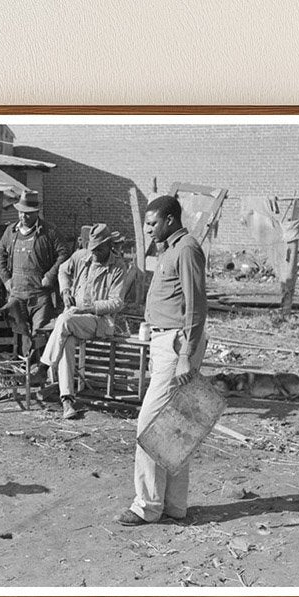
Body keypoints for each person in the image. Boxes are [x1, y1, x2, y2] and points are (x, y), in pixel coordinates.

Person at [115, 195, 208, 526]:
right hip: (165, 342)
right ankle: (174, 506)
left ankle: (147, 505)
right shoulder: (169, 250)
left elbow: (196, 306)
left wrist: (185, 354)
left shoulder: (186, 249)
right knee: (175, 425)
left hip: (177, 344)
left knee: (150, 425)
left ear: (170, 220)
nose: (148, 229)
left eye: (152, 223)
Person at [40, 223, 128, 420]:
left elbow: (117, 302)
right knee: (66, 341)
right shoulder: (81, 256)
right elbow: (63, 270)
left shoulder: (118, 267)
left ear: (109, 245)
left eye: (99, 250)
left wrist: (88, 308)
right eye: (92, 249)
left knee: (64, 320)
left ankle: (43, 366)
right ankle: (67, 400)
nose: (94, 253)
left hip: (100, 321)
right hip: (74, 319)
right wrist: (65, 291)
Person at [0, 190, 72, 360]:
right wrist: (6, 279)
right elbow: (0, 253)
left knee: (40, 333)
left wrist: (50, 275)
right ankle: (23, 366)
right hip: (17, 293)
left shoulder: (49, 232)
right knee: (20, 332)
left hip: (40, 295)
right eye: (21, 212)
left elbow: (64, 253)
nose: (23, 216)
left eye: (28, 213)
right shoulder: (10, 231)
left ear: (37, 212)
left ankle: (39, 368)